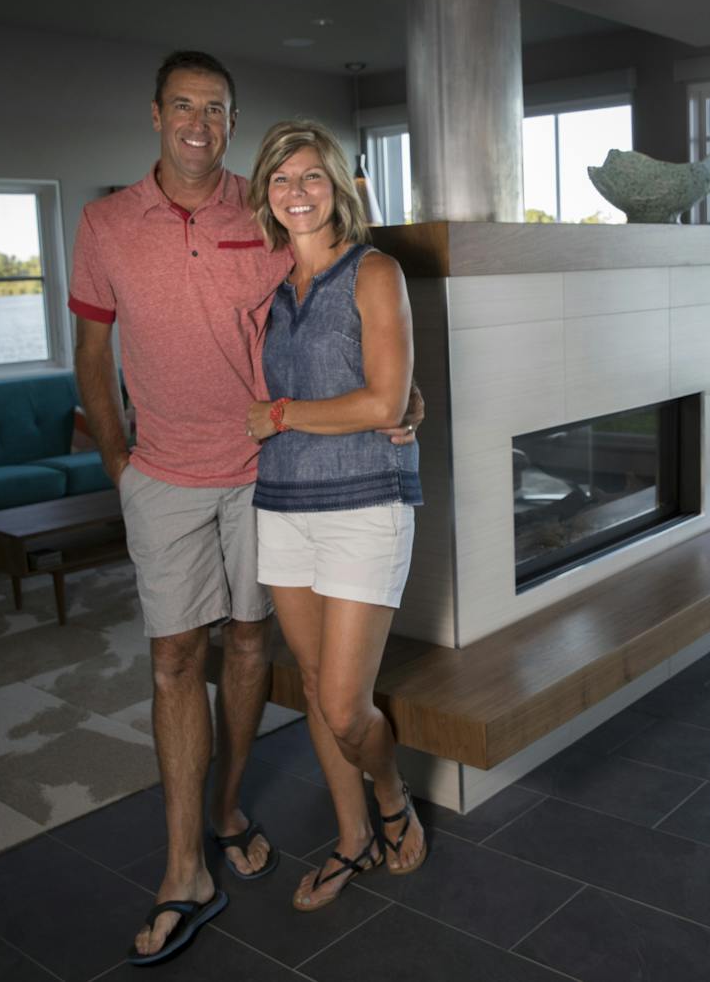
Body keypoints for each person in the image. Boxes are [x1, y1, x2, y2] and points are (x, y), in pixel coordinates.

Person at [70, 53, 419, 965]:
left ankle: (229, 809)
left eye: (215, 109)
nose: (199, 122)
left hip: (265, 478)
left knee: (258, 651)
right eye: (183, 106)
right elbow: (92, 353)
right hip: (170, 477)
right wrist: (120, 465)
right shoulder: (106, 222)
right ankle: (184, 867)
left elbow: (342, 328)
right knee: (179, 656)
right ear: (155, 115)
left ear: (231, 120)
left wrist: (402, 400)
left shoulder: (261, 214)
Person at [243, 119, 427, 911]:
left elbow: (386, 400)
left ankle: (389, 793)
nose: (298, 193)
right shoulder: (268, 288)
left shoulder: (375, 271)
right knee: (316, 686)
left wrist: (281, 414)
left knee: (349, 704)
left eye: (312, 176)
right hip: (282, 507)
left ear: (339, 188)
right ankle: (352, 841)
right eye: (283, 180)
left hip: (365, 505)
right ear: (266, 195)